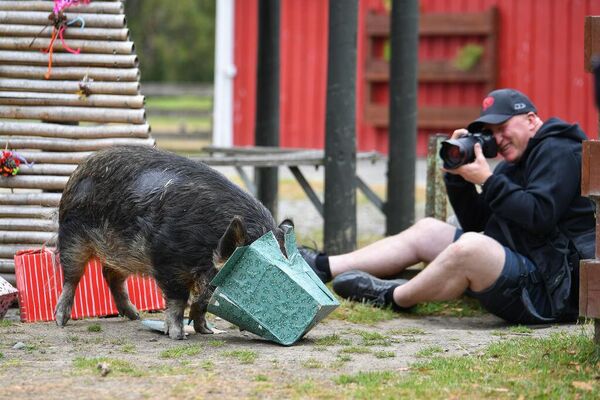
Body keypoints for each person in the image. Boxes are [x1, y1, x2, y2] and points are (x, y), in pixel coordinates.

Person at [300, 88, 595, 324]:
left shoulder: (559, 150)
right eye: (491, 132)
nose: (498, 139)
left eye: (503, 127)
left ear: (531, 120)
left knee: (470, 248)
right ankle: (322, 267)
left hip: (553, 289)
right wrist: (458, 178)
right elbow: (478, 223)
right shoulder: (514, 164)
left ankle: (395, 296)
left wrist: (489, 181)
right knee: (428, 230)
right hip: (529, 263)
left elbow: (539, 216)